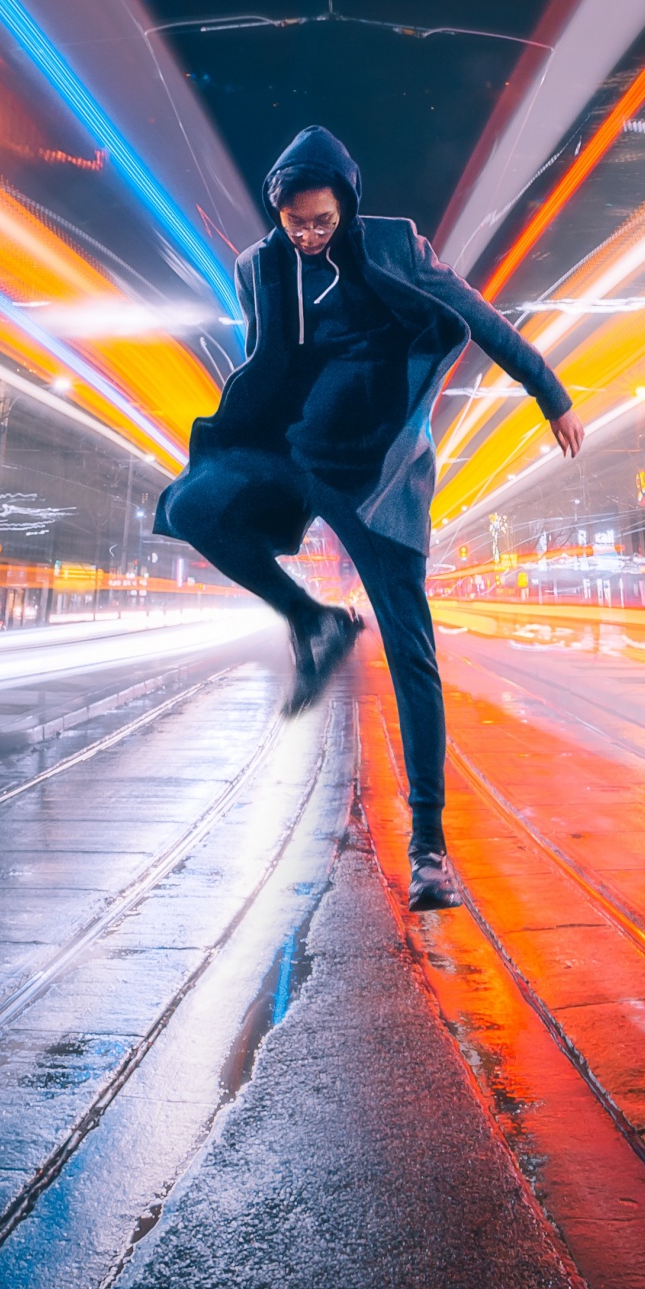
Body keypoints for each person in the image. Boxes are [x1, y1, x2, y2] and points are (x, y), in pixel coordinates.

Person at [155, 127, 583, 910]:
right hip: (295, 454)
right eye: (296, 223)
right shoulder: (261, 267)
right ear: (277, 213)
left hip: (377, 466)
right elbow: (267, 362)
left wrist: (548, 394)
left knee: (411, 645)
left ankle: (429, 848)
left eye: (321, 221)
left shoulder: (393, 247)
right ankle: (313, 619)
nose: (309, 235)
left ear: (345, 206)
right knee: (192, 505)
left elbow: (477, 317)